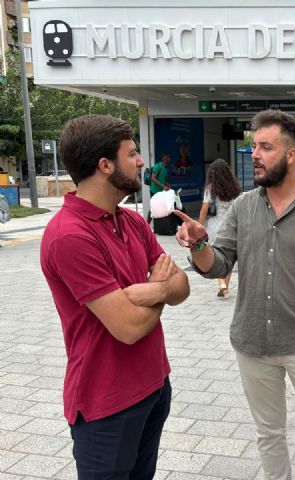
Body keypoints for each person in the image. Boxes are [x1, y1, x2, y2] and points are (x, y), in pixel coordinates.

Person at [175, 109, 295, 480]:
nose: (254, 154)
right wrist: (198, 245)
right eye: (253, 145)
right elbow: (219, 264)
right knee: (269, 435)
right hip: (252, 344)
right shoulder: (243, 207)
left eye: (265, 147)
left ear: (291, 155)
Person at [40, 115, 190, 479]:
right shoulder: (70, 236)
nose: (141, 161)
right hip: (106, 405)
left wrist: (152, 289)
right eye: (132, 153)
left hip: (154, 387)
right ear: (105, 166)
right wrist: (161, 288)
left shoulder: (133, 221)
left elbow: (182, 286)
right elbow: (129, 327)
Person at [198, 158, 242, 298]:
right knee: (229, 257)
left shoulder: (211, 188)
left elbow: (204, 209)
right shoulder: (235, 186)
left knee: (217, 256)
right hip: (233, 226)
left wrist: (199, 226)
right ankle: (225, 286)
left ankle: (222, 285)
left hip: (217, 226)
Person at [147, 153, 171, 224]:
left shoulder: (166, 169)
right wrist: (163, 186)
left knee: (160, 208)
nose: (169, 159)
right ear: (164, 159)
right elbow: (153, 178)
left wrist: (168, 185)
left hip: (161, 191)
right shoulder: (157, 166)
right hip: (154, 190)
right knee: (153, 208)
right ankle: (147, 223)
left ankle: (160, 225)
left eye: (170, 158)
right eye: (168, 158)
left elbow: (164, 180)